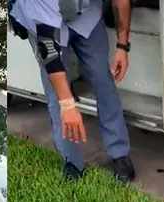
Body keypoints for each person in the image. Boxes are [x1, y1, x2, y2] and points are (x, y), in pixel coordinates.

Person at [9, 0, 136, 182]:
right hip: (42, 16)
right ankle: (72, 161)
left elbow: (120, 1)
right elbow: (50, 53)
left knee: (103, 79)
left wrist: (123, 47)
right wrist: (68, 105)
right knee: (57, 93)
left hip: (86, 16)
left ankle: (120, 152)